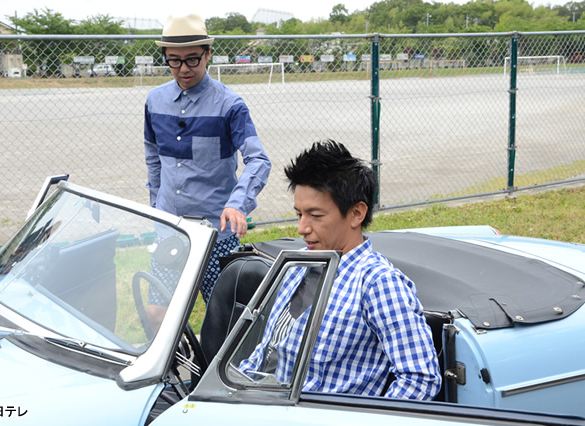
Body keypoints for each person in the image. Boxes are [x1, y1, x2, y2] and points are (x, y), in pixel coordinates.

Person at [239, 140, 441, 400]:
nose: (302, 228)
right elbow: (267, 352)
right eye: (299, 214)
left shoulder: (377, 283)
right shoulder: (298, 264)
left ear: (356, 213)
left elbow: (420, 379)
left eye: (315, 216)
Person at [144, 14, 271, 310]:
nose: (183, 69)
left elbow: (258, 159)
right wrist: (156, 206)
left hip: (217, 233)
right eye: (174, 60)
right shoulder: (154, 101)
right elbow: (153, 156)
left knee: (224, 319)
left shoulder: (230, 105)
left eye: (192, 59)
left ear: (208, 54)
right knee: (158, 313)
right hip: (171, 230)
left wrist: (237, 204)